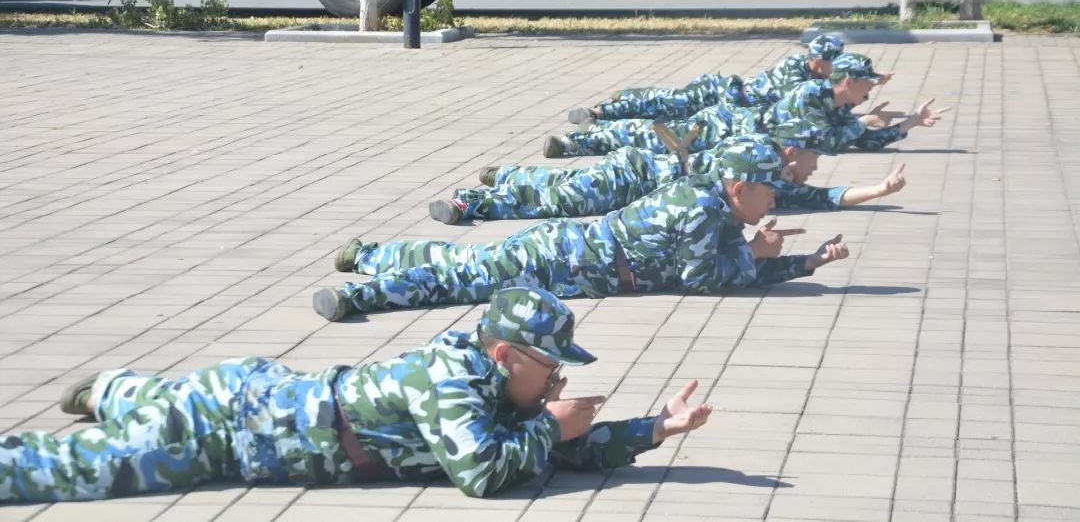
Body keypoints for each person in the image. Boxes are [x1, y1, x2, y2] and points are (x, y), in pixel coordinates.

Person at [0, 288, 713, 503]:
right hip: (232, 426)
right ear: (503, 354)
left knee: (155, 406)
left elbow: (551, 446)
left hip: (264, 397)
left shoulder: (504, 393)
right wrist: (551, 428)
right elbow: (485, 473)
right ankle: (120, 396)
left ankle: (119, 389)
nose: (558, 380)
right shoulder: (453, 378)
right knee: (76, 471)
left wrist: (655, 430)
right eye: (550, 366)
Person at [314, 137, 850, 322]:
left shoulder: (718, 207)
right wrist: (758, 255)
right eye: (767, 188)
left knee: (462, 266)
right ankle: (358, 295)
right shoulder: (700, 210)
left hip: (569, 255)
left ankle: (370, 253)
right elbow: (703, 280)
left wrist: (804, 264)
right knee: (459, 281)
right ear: (738, 187)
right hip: (562, 260)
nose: (775, 197)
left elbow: (732, 269)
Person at [427, 130, 908, 225]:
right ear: (789, 150)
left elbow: (827, 197)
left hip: (642, 177)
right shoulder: (756, 163)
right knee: (561, 200)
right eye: (812, 156)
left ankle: (505, 175)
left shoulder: (767, 179)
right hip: (639, 175)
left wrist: (881, 191)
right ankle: (474, 202)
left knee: (564, 193)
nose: (815, 166)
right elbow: (823, 194)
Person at [543, 53, 947, 159]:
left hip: (737, 138)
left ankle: (589, 134)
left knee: (655, 140)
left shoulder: (838, 109)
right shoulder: (810, 97)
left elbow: (857, 140)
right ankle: (578, 140)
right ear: (847, 81)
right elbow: (830, 141)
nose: (870, 92)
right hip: (727, 125)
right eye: (868, 85)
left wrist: (908, 124)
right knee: (649, 134)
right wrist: (866, 124)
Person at [565, 34, 849, 124]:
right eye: (832, 63)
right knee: (667, 103)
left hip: (727, 96)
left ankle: (616, 106)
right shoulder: (796, 73)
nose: (834, 71)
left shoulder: (805, 70)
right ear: (818, 60)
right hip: (723, 94)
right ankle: (599, 112)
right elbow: (812, 102)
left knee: (666, 109)